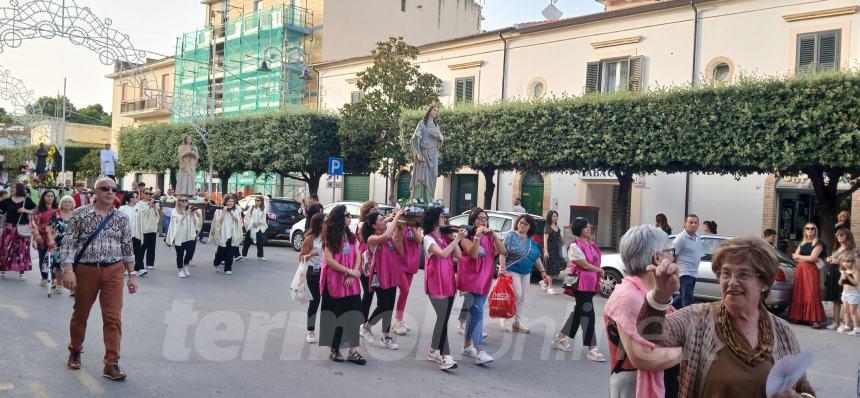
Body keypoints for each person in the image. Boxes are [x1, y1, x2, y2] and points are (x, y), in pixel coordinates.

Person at [640, 236, 815, 398]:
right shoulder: (697, 318)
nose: (732, 282)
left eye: (743, 274)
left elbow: (805, 390)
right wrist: (660, 295)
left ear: (764, 283)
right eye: (726, 273)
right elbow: (648, 333)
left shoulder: (782, 331)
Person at [60, 177, 138, 381]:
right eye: (105, 189)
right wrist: (68, 270)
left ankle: (111, 363)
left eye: (114, 189)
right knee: (81, 313)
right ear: (95, 192)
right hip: (86, 270)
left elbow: (127, 247)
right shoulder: (80, 214)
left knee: (113, 317)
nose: (110, 192)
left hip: (114, 270)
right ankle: (75, 349)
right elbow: (68, 244)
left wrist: (132, 275)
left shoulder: (121, 218)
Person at [602, 225, 682, 397]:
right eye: (670, 251)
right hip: (634, 387)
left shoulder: (645, 293)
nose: (674, 257)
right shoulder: (630, 297)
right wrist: (688, 351)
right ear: (657, 257)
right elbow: (643, 357)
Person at [551, 218, 606, 362]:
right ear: (579, 230)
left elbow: (596, 262)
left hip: (591, 284)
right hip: (580, 285)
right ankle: (592, 348)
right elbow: (584, 265)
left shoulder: (591, 244)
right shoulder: (575, 246)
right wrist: (599, 271)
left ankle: (560, 337)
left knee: (579, 313)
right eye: (586, 227)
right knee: (589, 314)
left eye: (589, 227)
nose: (589, 229)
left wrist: (599, 280)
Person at [318, 204, 366, 365]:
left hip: (351, 283)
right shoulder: (330, 237)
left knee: (354, 316)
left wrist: (354, 272)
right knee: (337, 317)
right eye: (347, 215)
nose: (350, 217)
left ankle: (353, 351)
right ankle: (334, 348)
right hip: (335, 283)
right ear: (340, 217)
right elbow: (329, 260)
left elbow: (358, 255)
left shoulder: (351, 236)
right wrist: (348, 271)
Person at [457, 207, 503, 365]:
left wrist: (495, 236)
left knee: (474, 313)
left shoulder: (490, 237)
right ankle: (480, 350)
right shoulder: (465, 235)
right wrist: (477, 235)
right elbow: (473, 254)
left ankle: (466, 345)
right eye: (480, 218)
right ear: (473, 220)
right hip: (470, 278)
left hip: (485, 278)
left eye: (485, 218)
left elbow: (502, 251)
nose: (484, 221)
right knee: (477, 311)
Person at [422, 206, 463, 370]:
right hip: (435, 283)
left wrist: (453, 237)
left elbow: (458, 255)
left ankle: (433, 350)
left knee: (442, 319)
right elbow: (444, 254)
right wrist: (456, 239)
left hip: (448, 282)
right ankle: (445, 356)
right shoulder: (428, 238)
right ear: (434, 219)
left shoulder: (446, 237)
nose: (445, 218)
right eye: (442, 216)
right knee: (443, 318)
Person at [360, 210, 405, 350]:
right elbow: (385, 236)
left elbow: (400, 252)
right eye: (380, 220)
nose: (383, 221)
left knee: (389, 307)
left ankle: (386, 336)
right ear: (374, 225)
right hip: (379, 277)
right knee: (383, 305)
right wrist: (397, 217)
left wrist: (400, 232)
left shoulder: (389, 238)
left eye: (383, 219)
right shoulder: (372, 239)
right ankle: (366, 326)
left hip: (392, 276)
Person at [500, 214, 550, 333]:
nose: (522, 225)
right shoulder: (511, 236)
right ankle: (506, 317)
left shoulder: (531, 240)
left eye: (525, 223)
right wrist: (502, 268)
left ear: (530, 227)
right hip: (512, 269)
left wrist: (543, 271)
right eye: (521, 222)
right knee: (517, 294)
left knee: (522, 297)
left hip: (526, 272)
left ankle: (517, 323)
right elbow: (502, 252)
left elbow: (536, 257)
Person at [789, 222, 827, 328]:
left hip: (811, 270)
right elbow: (794, 257)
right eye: (807, 228)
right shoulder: (802, 243)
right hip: (801, 270)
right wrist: (804, 257)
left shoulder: (818, 243)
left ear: (815, 231)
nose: (810, 230)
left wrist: (799, 256)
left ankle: (814, 319)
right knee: (800, 292)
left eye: (812, 228)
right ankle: (799, 316)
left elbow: (812, 258)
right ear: (805, 230)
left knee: (811, 293)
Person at [0, 183, 36, 280]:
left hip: (23, 228)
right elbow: (1, 212)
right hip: (9, 228)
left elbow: (37, 210)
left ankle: (21, 271)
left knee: (22, 250)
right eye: (11, 188)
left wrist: (26, 210)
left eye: (13, 188)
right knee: (6, 248)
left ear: (19, 189)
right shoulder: (7, 201)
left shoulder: (27, 200)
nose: (11, 189)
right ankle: (3, 268)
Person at [299, 212, 325, 344]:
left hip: (327, 273)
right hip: (313, 273)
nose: (328, 224)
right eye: (325, 222)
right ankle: (310, 331)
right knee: (314, 302)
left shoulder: (328, 238)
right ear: (318, 224)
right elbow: (301, 257)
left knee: (328, 303)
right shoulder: (310, 239)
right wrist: (311, 254)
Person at [409, 105, 443, 202]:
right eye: (434, 110)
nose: (436, 112)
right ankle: (418, 198)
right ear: (429, 111)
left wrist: (440, 138)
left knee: (434, 175)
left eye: (437, 111)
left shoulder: (436, 125)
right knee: (421, 176)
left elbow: (440, 141)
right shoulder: (422, 124)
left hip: (433, 154)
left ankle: (429, 199)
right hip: (424, 153)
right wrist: (417, 153)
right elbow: (415, 139)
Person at [393, 224, 423, 336]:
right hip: (399, 263)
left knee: (404, 294)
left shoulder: (416, 227)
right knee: (405, 290)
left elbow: (419, 240)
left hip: (411, 263)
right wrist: (403, 226)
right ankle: (397, 321)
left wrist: (413, 227)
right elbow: (395, 239)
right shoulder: (400, 225)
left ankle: (399, 319)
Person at [166, 195, 202, 278]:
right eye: (182, 200)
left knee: (190, 252)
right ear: (178, 201)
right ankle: (180, 269)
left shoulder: (189, 210)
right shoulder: (175, 211)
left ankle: (185, 265)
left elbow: (195, 222)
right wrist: (188, 212)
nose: (184, 202)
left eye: (186, 200)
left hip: (190, 235)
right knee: (180, 254)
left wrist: (193, 214)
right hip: (180, 236)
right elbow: (179, 221)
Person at [823, 228, 852, 330]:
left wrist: (838, 262)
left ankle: (845, 322)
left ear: (847, 236)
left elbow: (852, 264)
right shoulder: (837, 248)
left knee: (844, 300)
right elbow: (829, 258)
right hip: (833, 273)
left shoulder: (850, 249)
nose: (839, 237)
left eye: (841, 235)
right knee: (836, 299)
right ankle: (835, 322)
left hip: (843, 274)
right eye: (838, 235)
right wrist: (829, 259)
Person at [671, 214, 702, 309]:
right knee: (688, 301)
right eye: (691, 222)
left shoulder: (698, 238)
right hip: (684, 273)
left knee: (682, 297)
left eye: (695, 223)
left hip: (693, 273)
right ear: (685, 224)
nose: (693, 225)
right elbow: (673, 257)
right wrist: (673, 272)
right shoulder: (680, 239)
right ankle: (689, 321)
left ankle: (667, 310)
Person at [48, 195, 75, 295]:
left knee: (73, 265)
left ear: (73, 203)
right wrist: (51, 239)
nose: (67, 203)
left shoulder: (76, 214)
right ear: (61, 204)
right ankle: (59, 283)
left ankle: (73, 287)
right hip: (58, 242)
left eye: (69, 202)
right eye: (65, 201)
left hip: (72, 243)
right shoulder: (55, 214)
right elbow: (49, 228)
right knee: (57, 264)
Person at [210, 195, 242, 276]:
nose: (231, 203)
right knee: (221, 250)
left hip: (231, 233)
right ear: (225, 202)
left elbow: (237, 220)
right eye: (229, 201)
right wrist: (224, 212)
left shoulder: (235, 211)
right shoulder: (219, 211)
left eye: (232, 201)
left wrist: (231, 212)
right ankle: (216, 263)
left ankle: (228, 268)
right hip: (222, 233)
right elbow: (218, 222)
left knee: (230, 252)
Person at [33, 189, 59, 286]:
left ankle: (54, 278)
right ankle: (44, 277)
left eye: (52, 196)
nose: (50, 198)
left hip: (54, 237)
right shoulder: (38, 210)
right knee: (42, 257)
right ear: (43, 197)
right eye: (48, 196)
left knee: (54, 258)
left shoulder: (57, 210)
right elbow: (33, 223)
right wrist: (36, 237)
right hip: (41, 237)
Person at [134, 189, 160, 276]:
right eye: (146, 193)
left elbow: (160, 214)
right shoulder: (139, 204)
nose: (148, 195)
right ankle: (139, 265)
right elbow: (140, 214)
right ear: (142, 194)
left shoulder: (154, 204)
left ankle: (150, 263)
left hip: (152, 227)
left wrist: (154, 206)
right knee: (142, 247)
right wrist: (149, 206)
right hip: (144, 228)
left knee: (152, 247)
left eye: (150, 193)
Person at [541, 209, 566, 293]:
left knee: (555, 268)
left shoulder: (557, 227)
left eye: (556, 216)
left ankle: (544, 282)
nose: (555, 218)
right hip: (549, 250)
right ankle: (550, 287)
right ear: (550, 217)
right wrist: (545, 251)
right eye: (553, 216)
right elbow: (545, 240)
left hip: (556, 250)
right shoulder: (547, 227)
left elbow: (560, 238)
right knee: (550, 268)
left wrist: (562, 240)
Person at [838, 249, 860, 335]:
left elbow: (856, 283)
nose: (845, 263)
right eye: (844, 261)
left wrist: (848, 276)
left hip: (853, 294)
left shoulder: (855, 271)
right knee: (846, 311)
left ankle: (857, 328)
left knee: (853, 312)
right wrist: (841, 278)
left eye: (848, 261)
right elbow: (840, 283)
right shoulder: (844, 271)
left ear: (852, 262)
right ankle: (847, 326)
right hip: (845, 293)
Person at [241, 196, 267, 261]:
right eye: (256, 200)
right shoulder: (252, 208)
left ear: (262, 201)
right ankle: (244, 254)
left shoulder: (263, 210)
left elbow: (263, 219)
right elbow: (247, 216)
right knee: (247, 241)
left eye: (259, 200)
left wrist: (258, 222)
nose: (257, 202)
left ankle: (260, 256)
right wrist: (252, 223)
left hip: (258, 227)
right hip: (251, 227)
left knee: (260, 242)